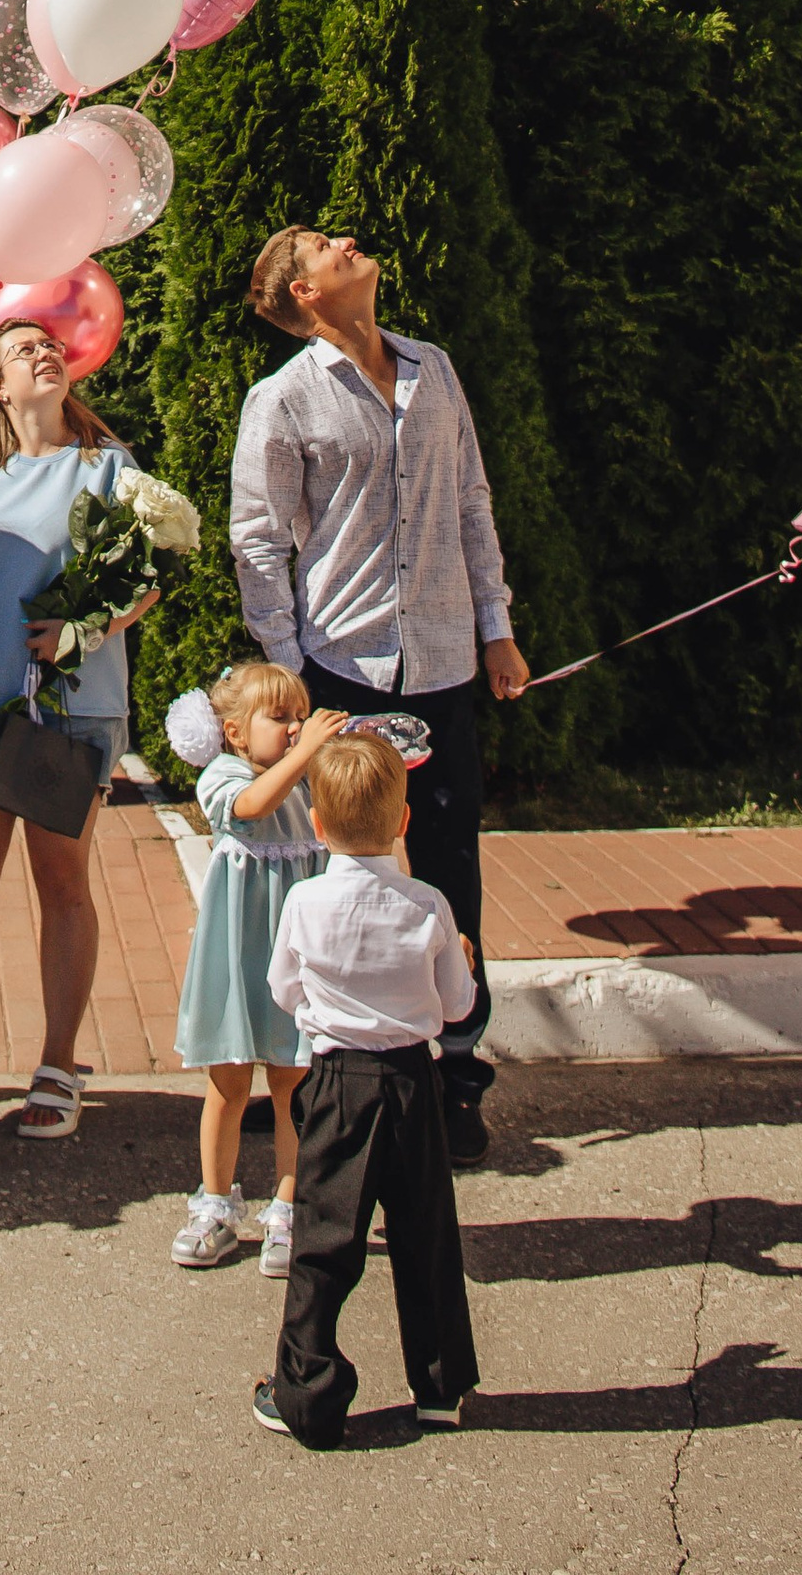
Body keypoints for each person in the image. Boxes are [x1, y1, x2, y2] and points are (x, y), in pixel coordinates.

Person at [229, 227, 528, 1167]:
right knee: (328, 876)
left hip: (439, 665)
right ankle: (313, 1073)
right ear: (302, 292)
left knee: (447, 870)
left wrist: (496, 628)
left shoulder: (434, 369)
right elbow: (259, 540)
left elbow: (472, 501)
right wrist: (293, 668)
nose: (348, 241)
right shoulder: (282, 400)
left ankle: (455, 1078)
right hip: (342, 671)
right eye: (324, 245)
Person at [0, 317, 154, 1144]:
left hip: (71, 704)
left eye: (52, 344)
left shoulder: (107, 467)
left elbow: (149, 577)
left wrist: (80, 632)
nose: (45, 352)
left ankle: (58, 1062)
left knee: (62, 884)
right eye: (25, 349)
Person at [252, 727, 480, 1451]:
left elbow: (284, 990)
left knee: (324, 1239)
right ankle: (439, 1385)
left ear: (316, 825)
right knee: (426, 1235)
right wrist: (464, 961)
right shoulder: (429, 907)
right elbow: (455, 1010)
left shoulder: (305, 903)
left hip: (338, 1084)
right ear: (403, 821)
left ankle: (307, 1390)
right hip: (413, 1082)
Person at [168, 663, 349, 1278]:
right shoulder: (225, 775)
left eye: (302, 716)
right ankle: (215, 1205)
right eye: (281, 718)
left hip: (296, 952)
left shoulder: (308, 780)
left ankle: (289, 1207)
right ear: (236, 733)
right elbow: (249, 807)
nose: (297, 728)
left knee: (294, 1082)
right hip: (238, 952)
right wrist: (310, 754)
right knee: (228, 1082)